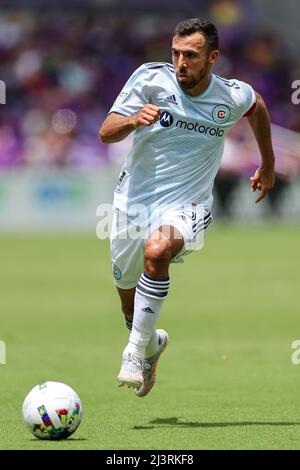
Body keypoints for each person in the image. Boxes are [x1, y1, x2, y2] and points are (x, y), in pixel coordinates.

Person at [99, 18, 275, 397]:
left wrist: (268, 163)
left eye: (191, 56)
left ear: (212, 58)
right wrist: (132, 119)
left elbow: (257, 106)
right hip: (133, 202)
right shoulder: (149, 79)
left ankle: (132, 353)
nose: (180, 62)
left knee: (158, 251)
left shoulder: (231, 95)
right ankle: (149, 343)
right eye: (176, 53)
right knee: (129, 308)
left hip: (188, 204)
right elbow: (105, 131)